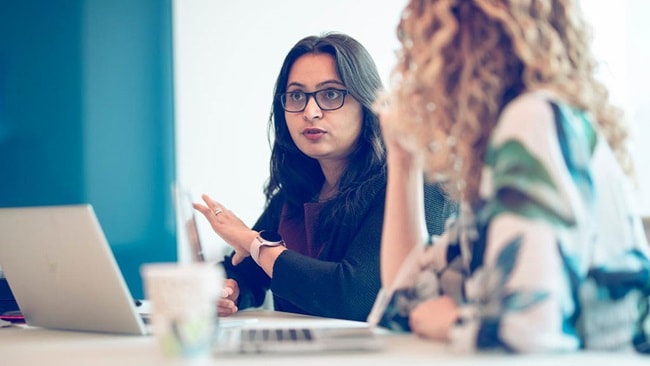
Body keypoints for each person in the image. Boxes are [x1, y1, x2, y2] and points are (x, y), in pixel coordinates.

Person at [376, 0, 650, 354]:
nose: (413, 68)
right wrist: (401, 159)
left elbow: (529, 333)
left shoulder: (534, 120)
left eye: (422, 42)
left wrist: (455, 322)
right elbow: (407, 297)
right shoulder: (527, 131)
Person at [193, 32, 456, 322]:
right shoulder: (300, 188)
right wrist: (230, 289)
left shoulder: (413, 183)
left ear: (368, 103)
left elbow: (354, 297)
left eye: (331, 94)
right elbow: (246, 267)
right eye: (296, 96)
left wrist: (255, 244)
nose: (310, 112)